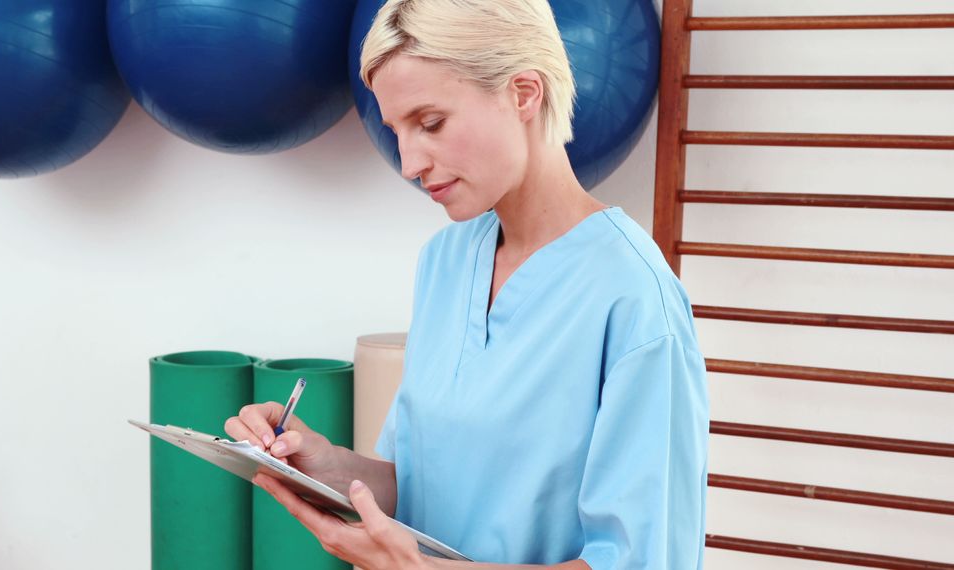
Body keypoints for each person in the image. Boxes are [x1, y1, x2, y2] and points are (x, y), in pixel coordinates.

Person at [224, 0, 709, 567]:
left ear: (524, 93)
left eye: (430, 123)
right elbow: (425, 486)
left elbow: (641, 561)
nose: (408, 162)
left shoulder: (634, 298)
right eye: (397, 129)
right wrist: (325, 463)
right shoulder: (447, 261)